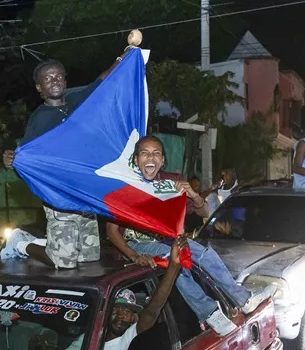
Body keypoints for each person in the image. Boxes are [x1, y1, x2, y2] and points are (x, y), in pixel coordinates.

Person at [105, 135, 273, 336]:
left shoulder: (171, 182)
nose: (150, 157)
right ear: (135, 160)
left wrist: (193, 195)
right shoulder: (125, 187)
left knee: (204, 254)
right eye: (144, 153)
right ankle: (209, 313)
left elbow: (204, 214)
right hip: (136, 245)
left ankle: (244, 300)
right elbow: (111, 232)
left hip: (165, 239)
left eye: (156, 153)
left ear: (163, 160)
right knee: (172, 259)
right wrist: (133, 255)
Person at [2, 52, 128, 269]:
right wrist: (12, 160)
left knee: (88, 258)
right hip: (59, 196)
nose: (54, 81)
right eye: (48, 78)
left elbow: (100, 83)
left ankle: (53, 244)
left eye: (59, 76)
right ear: (39, 88)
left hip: (83, 195)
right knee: (64, 261)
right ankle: (21, 242)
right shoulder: (40, 118)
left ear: (65, 80)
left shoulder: (74, 102)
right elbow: (26, 157)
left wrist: (123, 59)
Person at [29, 236, 185, 350]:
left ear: (133, 318)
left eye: (127, 311)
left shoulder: (129, 338)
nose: (120, 315)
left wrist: (173, 267)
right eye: (115, 309)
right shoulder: (90, 338)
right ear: (104, 314)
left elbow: (152, 309)